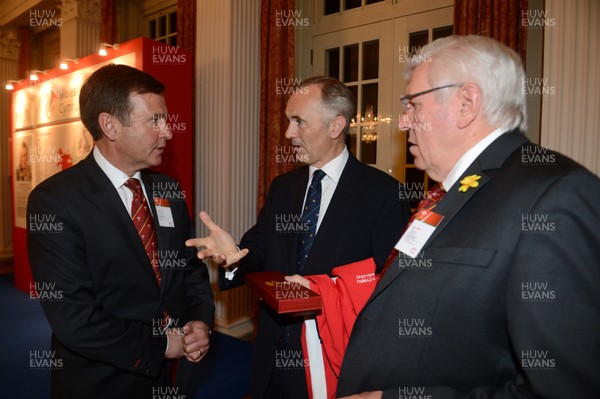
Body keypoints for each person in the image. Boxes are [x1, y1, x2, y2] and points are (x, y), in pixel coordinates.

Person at [335, 35, 600, 398]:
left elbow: (568, 389)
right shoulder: (455, 189)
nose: (402, 122)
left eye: (413, 104)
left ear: (466, 103)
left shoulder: (553, 196)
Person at [185, 76, 410, 398]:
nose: (288, 133)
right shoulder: (284, 187)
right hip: (273, 351)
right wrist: (235, 256)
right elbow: (260, 247)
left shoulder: (384, 194)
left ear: (336, 126)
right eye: (289, 121)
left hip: (334, 359)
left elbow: (386, 287)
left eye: (299, 122)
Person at [27, 64, 215, 399]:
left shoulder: (169, 189)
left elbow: (190, 271)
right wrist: (160, 345)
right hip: (101, 383)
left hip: (171, 379)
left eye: (166, 119)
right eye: (154, 120)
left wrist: (200, 323)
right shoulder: (55, 201)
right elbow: (74, 318)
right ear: (110, 125)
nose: (168, 131)